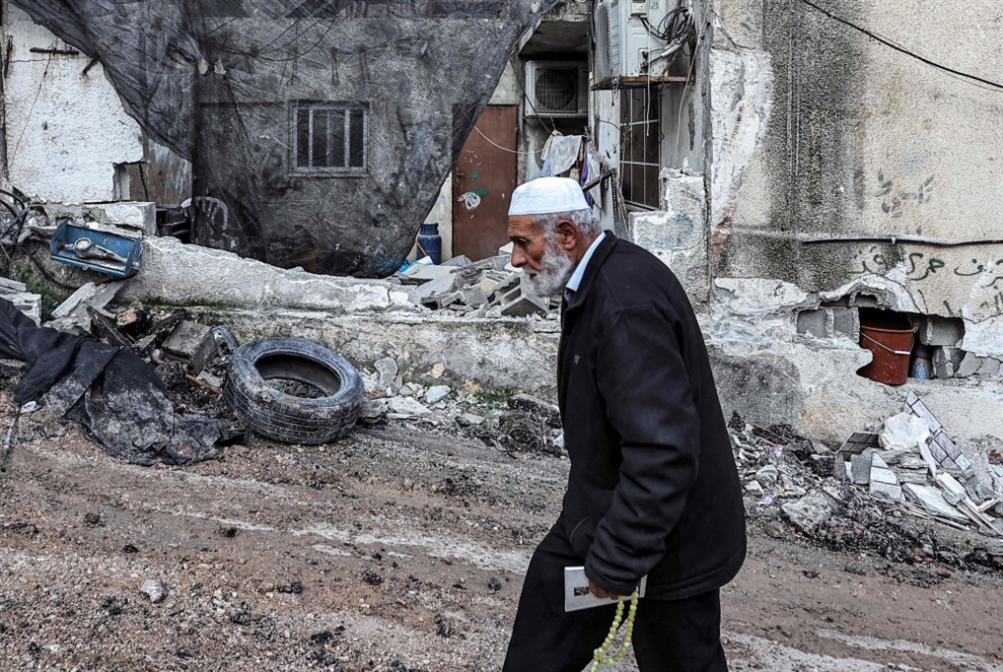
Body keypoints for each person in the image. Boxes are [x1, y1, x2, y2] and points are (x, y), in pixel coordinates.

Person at [502, 177, 746, 672]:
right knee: (542, 637)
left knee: (681, 657)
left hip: (666, 540)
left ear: (566, 234)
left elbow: (663, 450)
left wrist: (617, 560)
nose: (514, 260)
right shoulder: (602, 278)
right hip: (604, 519)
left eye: (523, 242)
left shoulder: (624, 305)